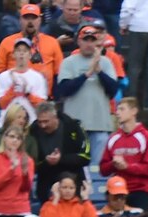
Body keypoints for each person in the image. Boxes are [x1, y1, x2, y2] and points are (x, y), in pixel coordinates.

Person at [54, 24, 121, 166]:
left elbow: (113, 90)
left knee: (97, 171)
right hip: (75, 126)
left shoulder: (106, 63)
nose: (89, 44)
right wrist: (86, 74)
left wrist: (99, 72)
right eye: (86, 40)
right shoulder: (68, 62)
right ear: (79, 41)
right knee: (74, 168)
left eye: (92, 40)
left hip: (100, 125)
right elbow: (64, 90)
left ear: (97, 43)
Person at [100, 98, 148, 210]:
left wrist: (127, 167)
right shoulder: (114, 138)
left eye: (122, 109)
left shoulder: (146, 137)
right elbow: (103, 169)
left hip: (139, 191)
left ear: (133, 111)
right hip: (118, 191)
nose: (117, 113)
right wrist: (113, 164)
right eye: (117, 109)